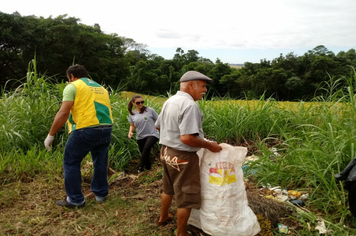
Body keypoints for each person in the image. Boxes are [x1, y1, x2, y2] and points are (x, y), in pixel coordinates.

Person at [155, 71, 222, 236]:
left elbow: (158, 126)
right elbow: (187, 138)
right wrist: (209, 146)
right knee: (186, 196)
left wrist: (171, 136)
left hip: (166, 152)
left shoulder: (170, 101)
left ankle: (163, 217)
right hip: (183, 156)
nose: (205, 90)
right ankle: (181, 232)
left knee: (168, 187)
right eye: (203, 86)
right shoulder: (190, 105)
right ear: (191, 84)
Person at [44, 65, 113, 209]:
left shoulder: (73, 86)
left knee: (71, 162)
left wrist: (51, 135)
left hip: (85, 128)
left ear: (71, 76)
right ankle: (101, 194)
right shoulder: (101, 88)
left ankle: (75, 200)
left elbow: (63, 112)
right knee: (100, 162)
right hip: (106, 128)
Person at [127, 95, 159, 172]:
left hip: (152, 134)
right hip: (140, 136)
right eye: (138, 103)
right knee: (144, 153)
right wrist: (130, 132)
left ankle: (141, 168)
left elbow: (158, 120)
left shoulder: (150, 110)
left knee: (146, 148)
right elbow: (132, 125)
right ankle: (148, 169)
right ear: (133, 103)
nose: (141, 104)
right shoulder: (132, 114)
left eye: (142, 102)